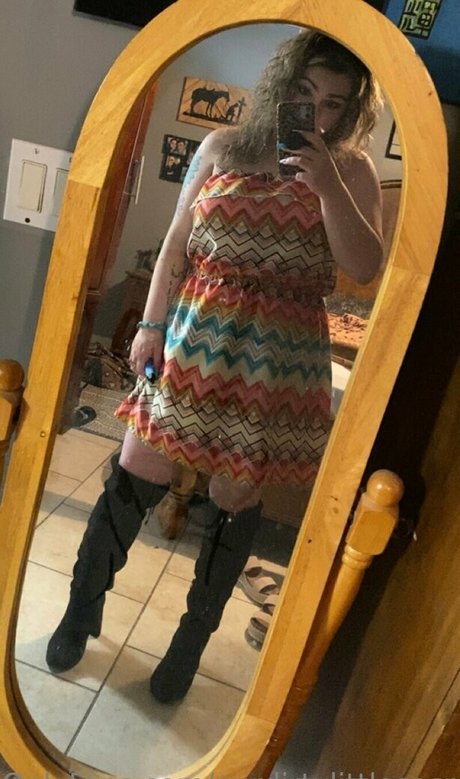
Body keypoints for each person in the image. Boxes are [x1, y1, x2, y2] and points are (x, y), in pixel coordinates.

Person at [46, 30, 383, 703]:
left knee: (234, 498)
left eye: (333, 104)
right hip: (195, 336)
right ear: (280, 88)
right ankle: (81, 610)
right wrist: (149, 326)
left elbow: (365, 266)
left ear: (350, 113)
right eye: (304, 94)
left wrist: (326, 187)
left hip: (277, 363)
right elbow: (175, 245)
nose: (316, 114)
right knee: (137, 467)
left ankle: (188, 644)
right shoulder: (223, 148)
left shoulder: (352, 173)